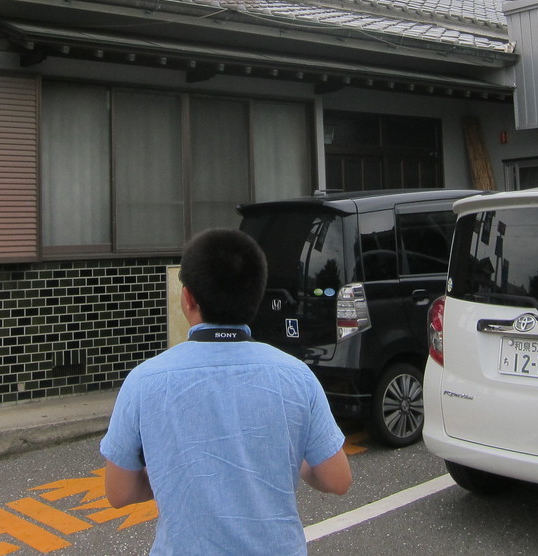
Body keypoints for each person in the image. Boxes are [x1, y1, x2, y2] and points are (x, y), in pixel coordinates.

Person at [101, 228, 352, 554]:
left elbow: (119, 493)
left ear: (188, 297)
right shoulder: (295, 375)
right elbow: (337, 480)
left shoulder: (144, 380)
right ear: (256, 296)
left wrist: (172, 473)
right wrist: (287, 461)